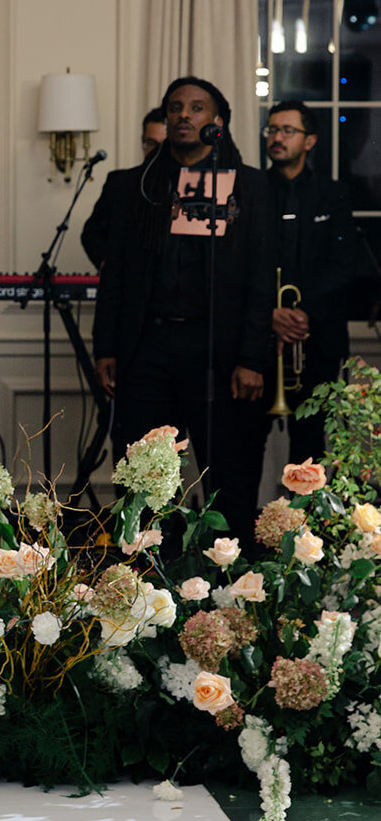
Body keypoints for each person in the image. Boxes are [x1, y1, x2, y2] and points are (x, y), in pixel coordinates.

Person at [93, 77, 272, 546]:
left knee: (227, 472)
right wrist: (106, 345)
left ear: (217, 122)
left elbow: (260, 279)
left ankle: (229, 588)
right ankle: (146, 588)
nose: (184, 115)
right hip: (147, 346)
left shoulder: (247, 185)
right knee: (144, 476)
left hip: (219, 349)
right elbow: (115, 274)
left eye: (196, 108)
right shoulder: (139, 185)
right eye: (175, 107)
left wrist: (253, 357)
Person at [260, 100, 360, 462]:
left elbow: (343, 263)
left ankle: (304, 521)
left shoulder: (333, 193)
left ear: (310, 141)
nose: (277, 138)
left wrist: (301, 313)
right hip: (258, 341)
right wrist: (270, 313)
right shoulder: (251, 190)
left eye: (288, 131)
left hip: (317, 342)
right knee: (243, 451)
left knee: (310, 454)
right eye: (272, 130)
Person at [81, 107, 167, 269]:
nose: (157, 152)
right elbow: (92, 233)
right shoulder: (120, 182)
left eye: (164, 145)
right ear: (143, 142)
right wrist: (106, 266)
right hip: (129, 284)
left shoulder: (188, 183)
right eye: (151, 143)